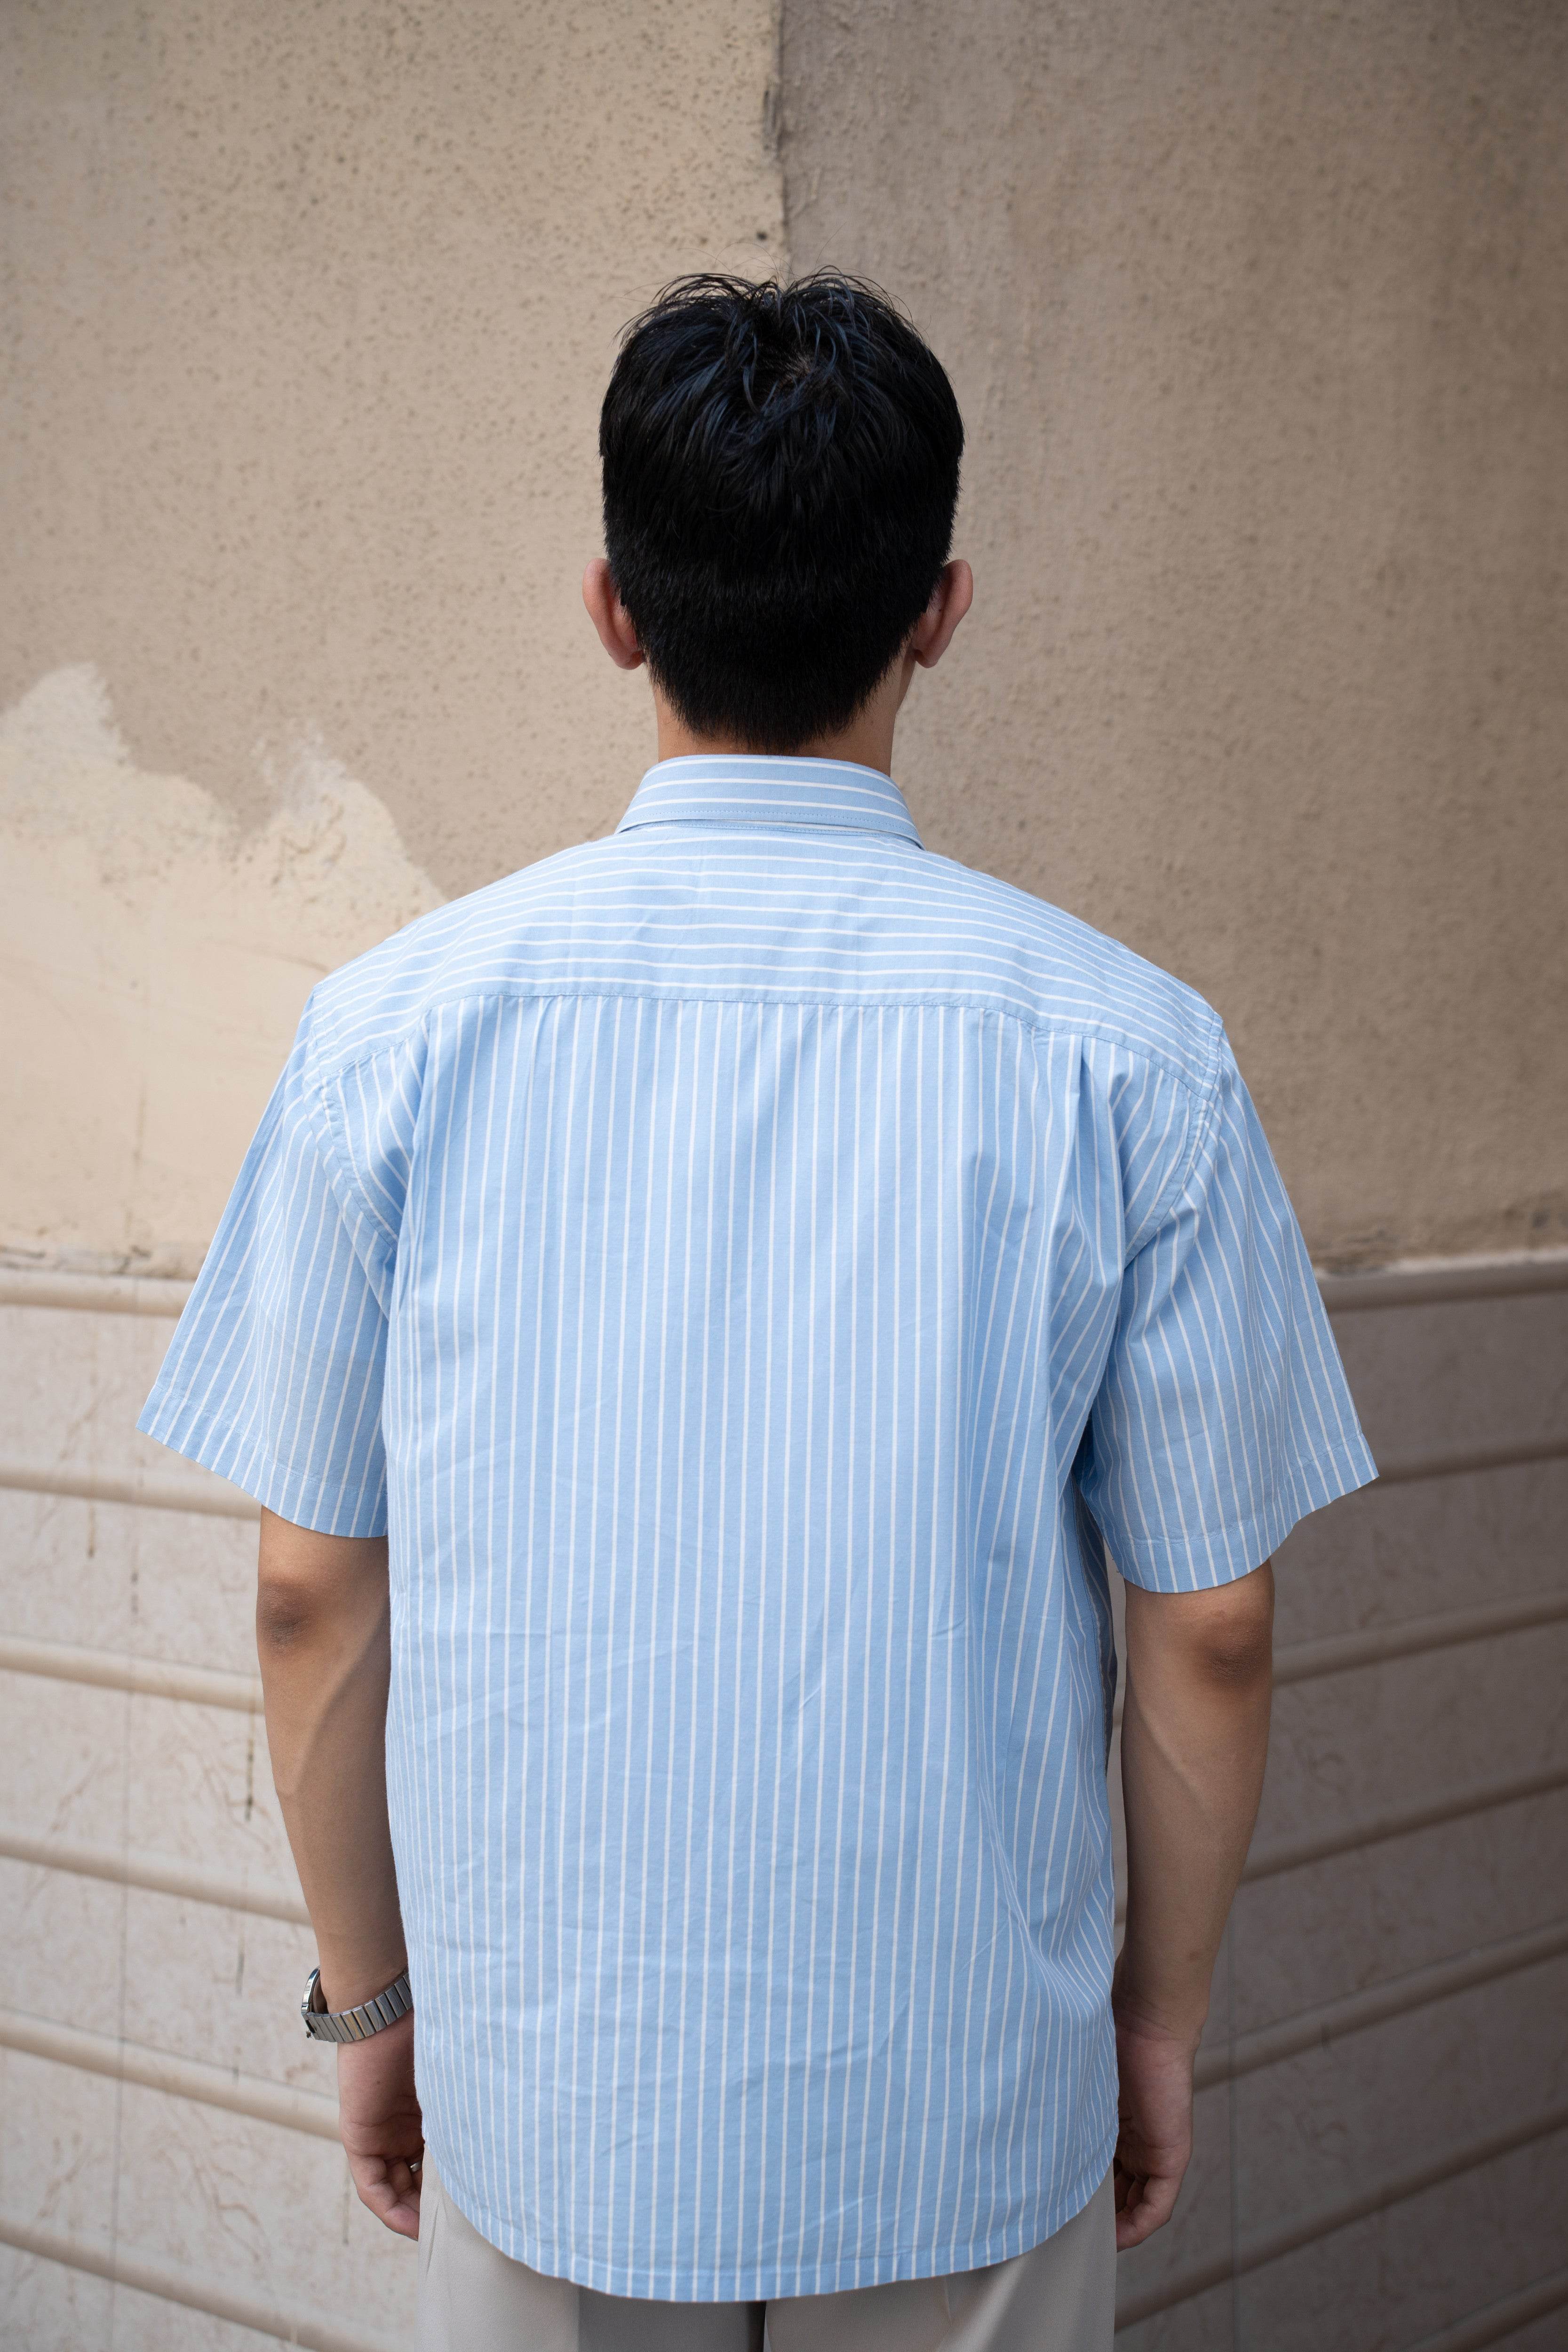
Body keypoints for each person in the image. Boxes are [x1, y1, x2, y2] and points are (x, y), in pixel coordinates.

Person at [138, 273, 1376, 2351]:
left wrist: (372, 2001)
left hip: (549, 2108)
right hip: (974, 2109)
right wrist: (1151, 2026)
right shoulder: (1130, 1054)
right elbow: (1215, 1618)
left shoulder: (391, 1037)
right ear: (944, 609)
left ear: (615, 607)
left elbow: (308, 1595)